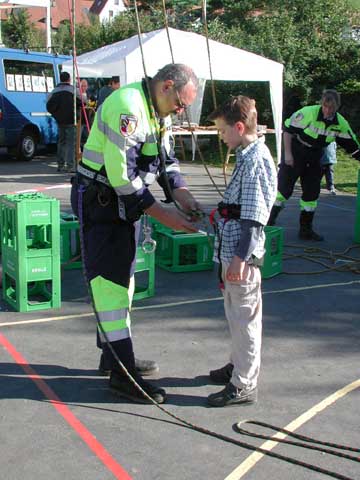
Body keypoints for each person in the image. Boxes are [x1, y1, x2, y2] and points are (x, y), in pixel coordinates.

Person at [71, 63, 201, 404]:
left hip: (120, 205)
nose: (182, 110)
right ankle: (122, 376)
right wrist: (165, 216)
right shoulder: (127, 107)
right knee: (110, 287)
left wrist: (184, 196)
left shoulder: (160, 111)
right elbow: (123, 180)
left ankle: (113, 356)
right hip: (100, 203)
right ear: (167, 86)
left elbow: (166, 162)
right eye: (181, 104)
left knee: (122, 283)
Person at [206, 96, 277, 407]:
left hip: (241, 257)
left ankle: (244, 383)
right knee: (235, 316)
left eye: (222, 131)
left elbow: (254, 219)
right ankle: (237, 364)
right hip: (231, 252)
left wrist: (239, 258)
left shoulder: (256, 161)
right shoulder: (246, 156)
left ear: (238, 127)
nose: (221, 137)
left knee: (246, 319)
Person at [268, 89, 360, 240]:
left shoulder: (341, 123)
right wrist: (288, 155)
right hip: (296, 151)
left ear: (337, 107)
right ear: (321, 103)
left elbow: (353, 147)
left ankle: (305, 230)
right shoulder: (308, 112)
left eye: (331, 108)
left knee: (311, 193)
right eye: (325, 106)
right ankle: (267, 224)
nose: (327, 110)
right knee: (283, 190)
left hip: (316, 156)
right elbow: (288, 130)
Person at [46, 71, 81, 173]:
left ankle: (60, 165)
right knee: (71, 143)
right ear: (69, 79)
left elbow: (48, 105)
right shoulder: (73, 90)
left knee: (61, 142)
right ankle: (70, 166)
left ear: (60, 79)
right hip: (71, 120)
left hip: (60, 121)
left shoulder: (54, 91)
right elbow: (83, 101)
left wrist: (56, 114)